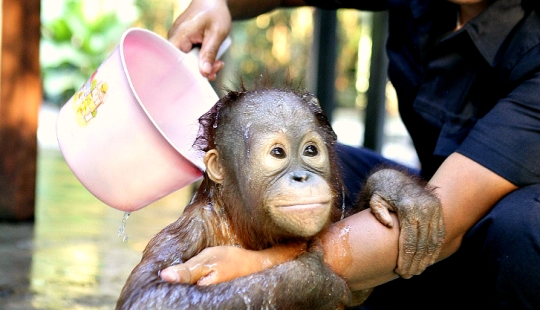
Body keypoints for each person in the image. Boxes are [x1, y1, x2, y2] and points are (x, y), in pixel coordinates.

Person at [161, 0, 540, 308]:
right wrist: (221, 4)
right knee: (272, 176)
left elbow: (442, 222)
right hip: (433, 196)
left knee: (517, 230)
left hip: (501, 240)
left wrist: (260, 267)